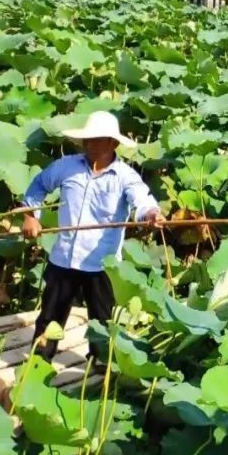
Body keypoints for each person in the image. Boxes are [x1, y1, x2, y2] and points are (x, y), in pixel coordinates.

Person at [21, 111, 164, 363]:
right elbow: (38, 185)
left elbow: (143, 201)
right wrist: (31, 216)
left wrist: (151, 214)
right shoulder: (66, 167)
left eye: (98, 139)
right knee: (50, 316)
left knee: (102, 322)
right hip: (64, 257)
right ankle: (38, 361)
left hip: (101, 264)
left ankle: (99, 367)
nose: (90, 144)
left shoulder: (125, 177)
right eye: (88, 139)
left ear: (113, 143)